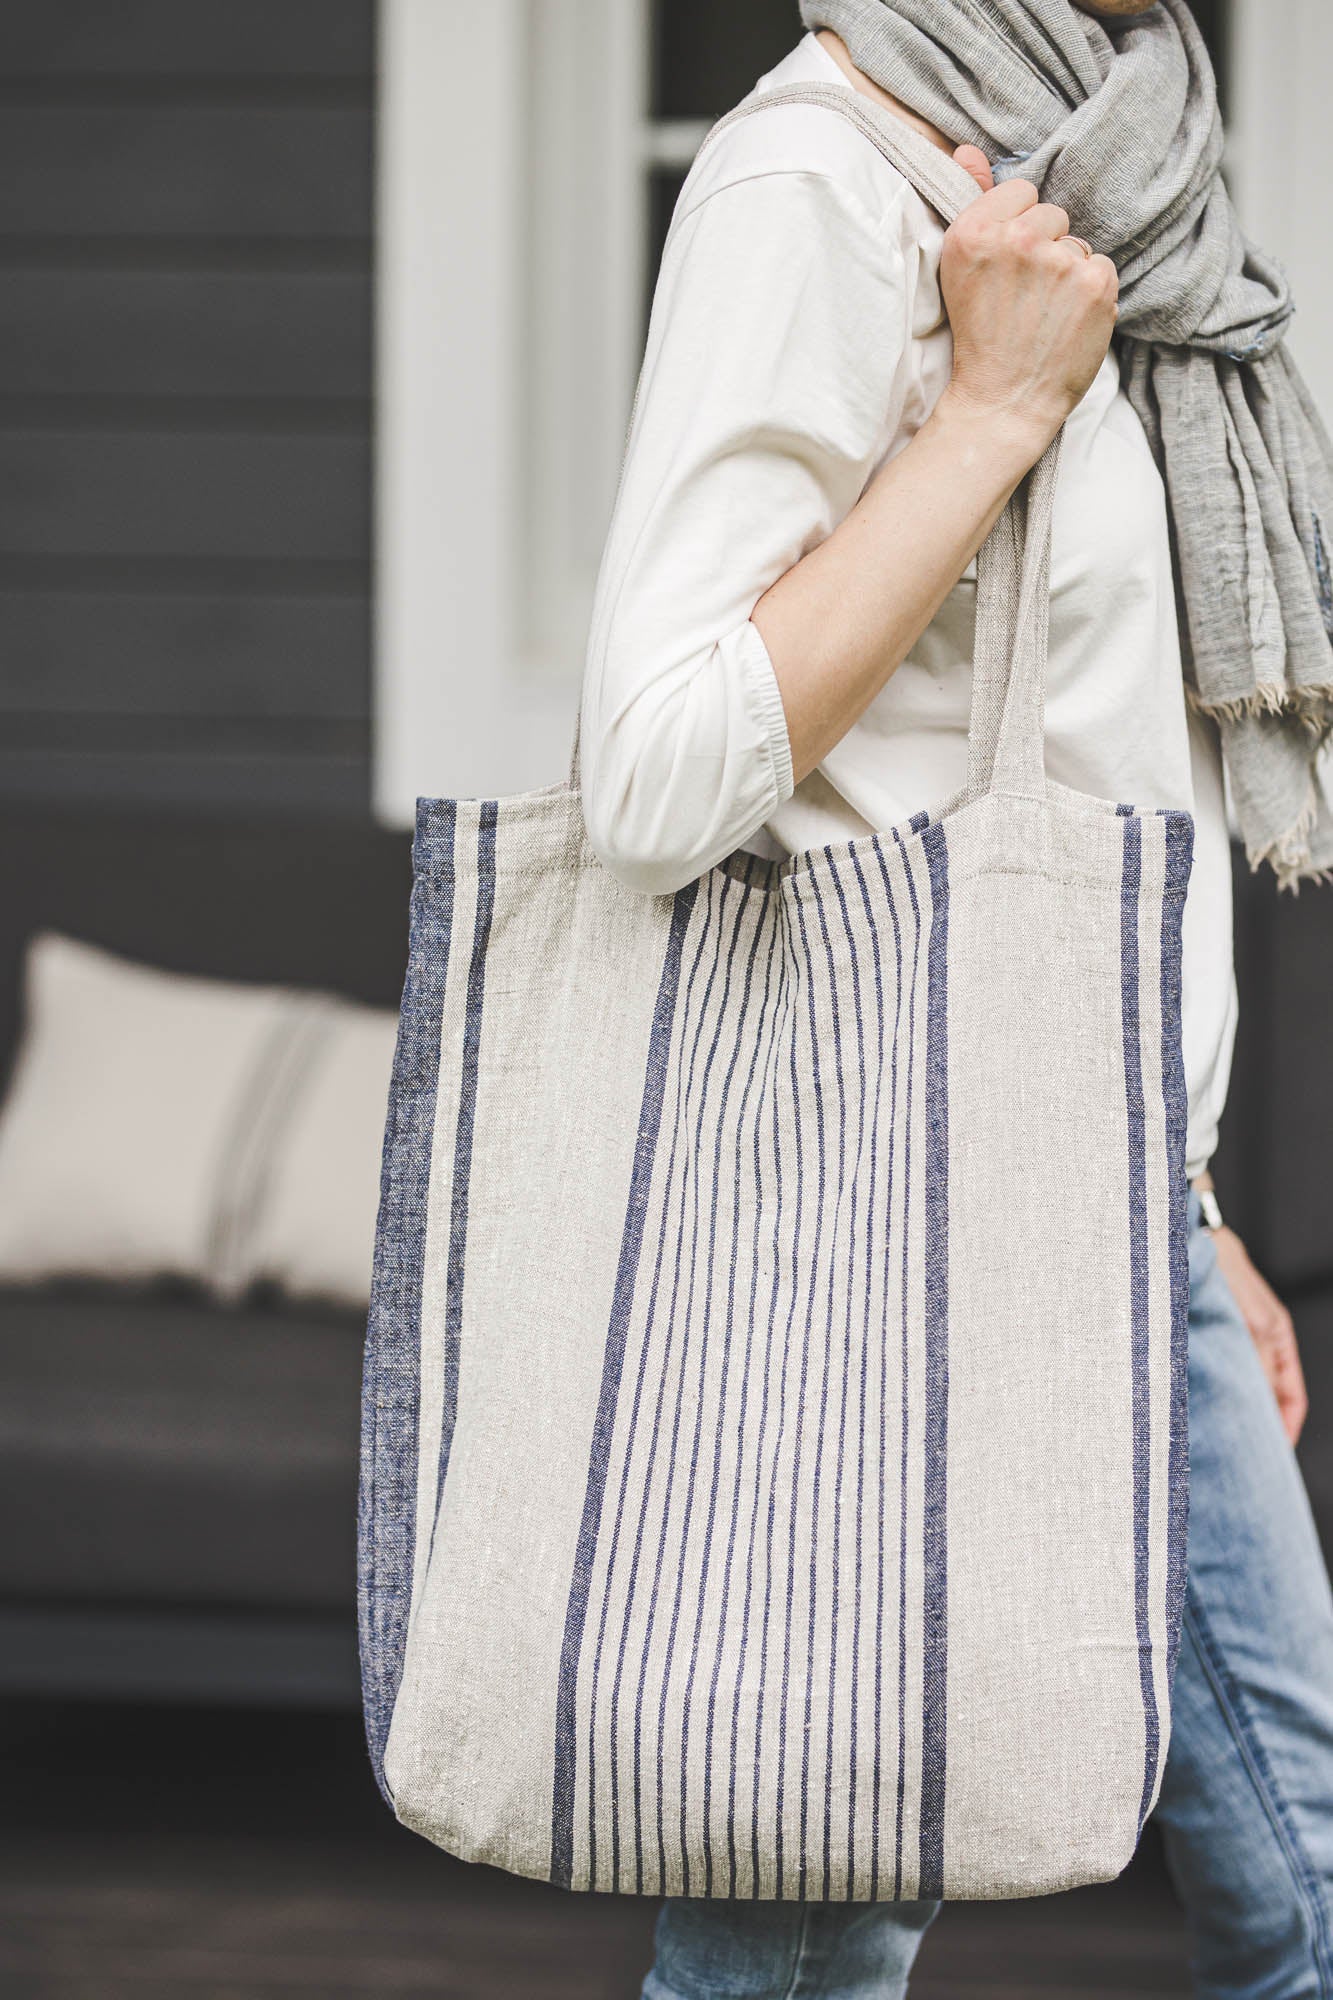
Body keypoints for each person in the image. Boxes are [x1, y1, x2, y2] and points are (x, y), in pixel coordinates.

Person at [576, 2, 1333, 1995]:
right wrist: (987, 418)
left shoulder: (1130, 173)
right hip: (885, 1221)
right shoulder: (813, 182)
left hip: (1108, 1205)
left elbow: (1079, 767)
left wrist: (1189, 1201)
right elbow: (658, 767)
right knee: (805, 1938)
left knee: (1308, 1893)